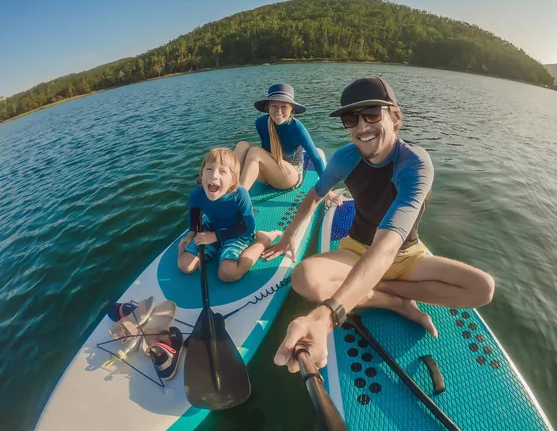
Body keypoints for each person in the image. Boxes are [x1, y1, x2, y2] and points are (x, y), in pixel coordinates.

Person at [263, 77, 495, 372]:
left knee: (481, 288)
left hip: (406, 254)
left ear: (395, 117)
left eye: (372, 114)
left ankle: (372, 287)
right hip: (357, 249)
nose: (361, 127)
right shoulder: (344, 158)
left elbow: (387, 247)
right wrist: (288, 238)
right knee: (303, 277)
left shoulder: (415, 164)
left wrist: (328, 313)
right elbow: (315, 194)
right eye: (351, 119)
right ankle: (395, 302)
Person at [177, 147, 281, 282]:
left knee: (228, 274)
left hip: (237, 232)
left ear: (233, 180)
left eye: (222, 172)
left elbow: (247, 227)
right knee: (185, 266)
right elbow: (195, 213)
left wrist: (215, 236)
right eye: (209, 169)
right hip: (212, 228)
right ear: (202, 174)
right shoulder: (197, 194)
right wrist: (191, 233)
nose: (214, 175)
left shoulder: (240, 195)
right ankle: (215, 247)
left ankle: (263, 240)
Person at [233, 83, 326, 191]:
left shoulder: (297, 128)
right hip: (270, 175)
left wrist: (326, 188)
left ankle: (238, 198)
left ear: (292, 109)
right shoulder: (260, 123)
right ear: (268, 108)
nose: (279, 112)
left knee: (255, 152)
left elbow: (316, 158)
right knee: (242, 145)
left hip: (291, 176)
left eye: (284, 107)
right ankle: (227, 187)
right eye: (274, 106)